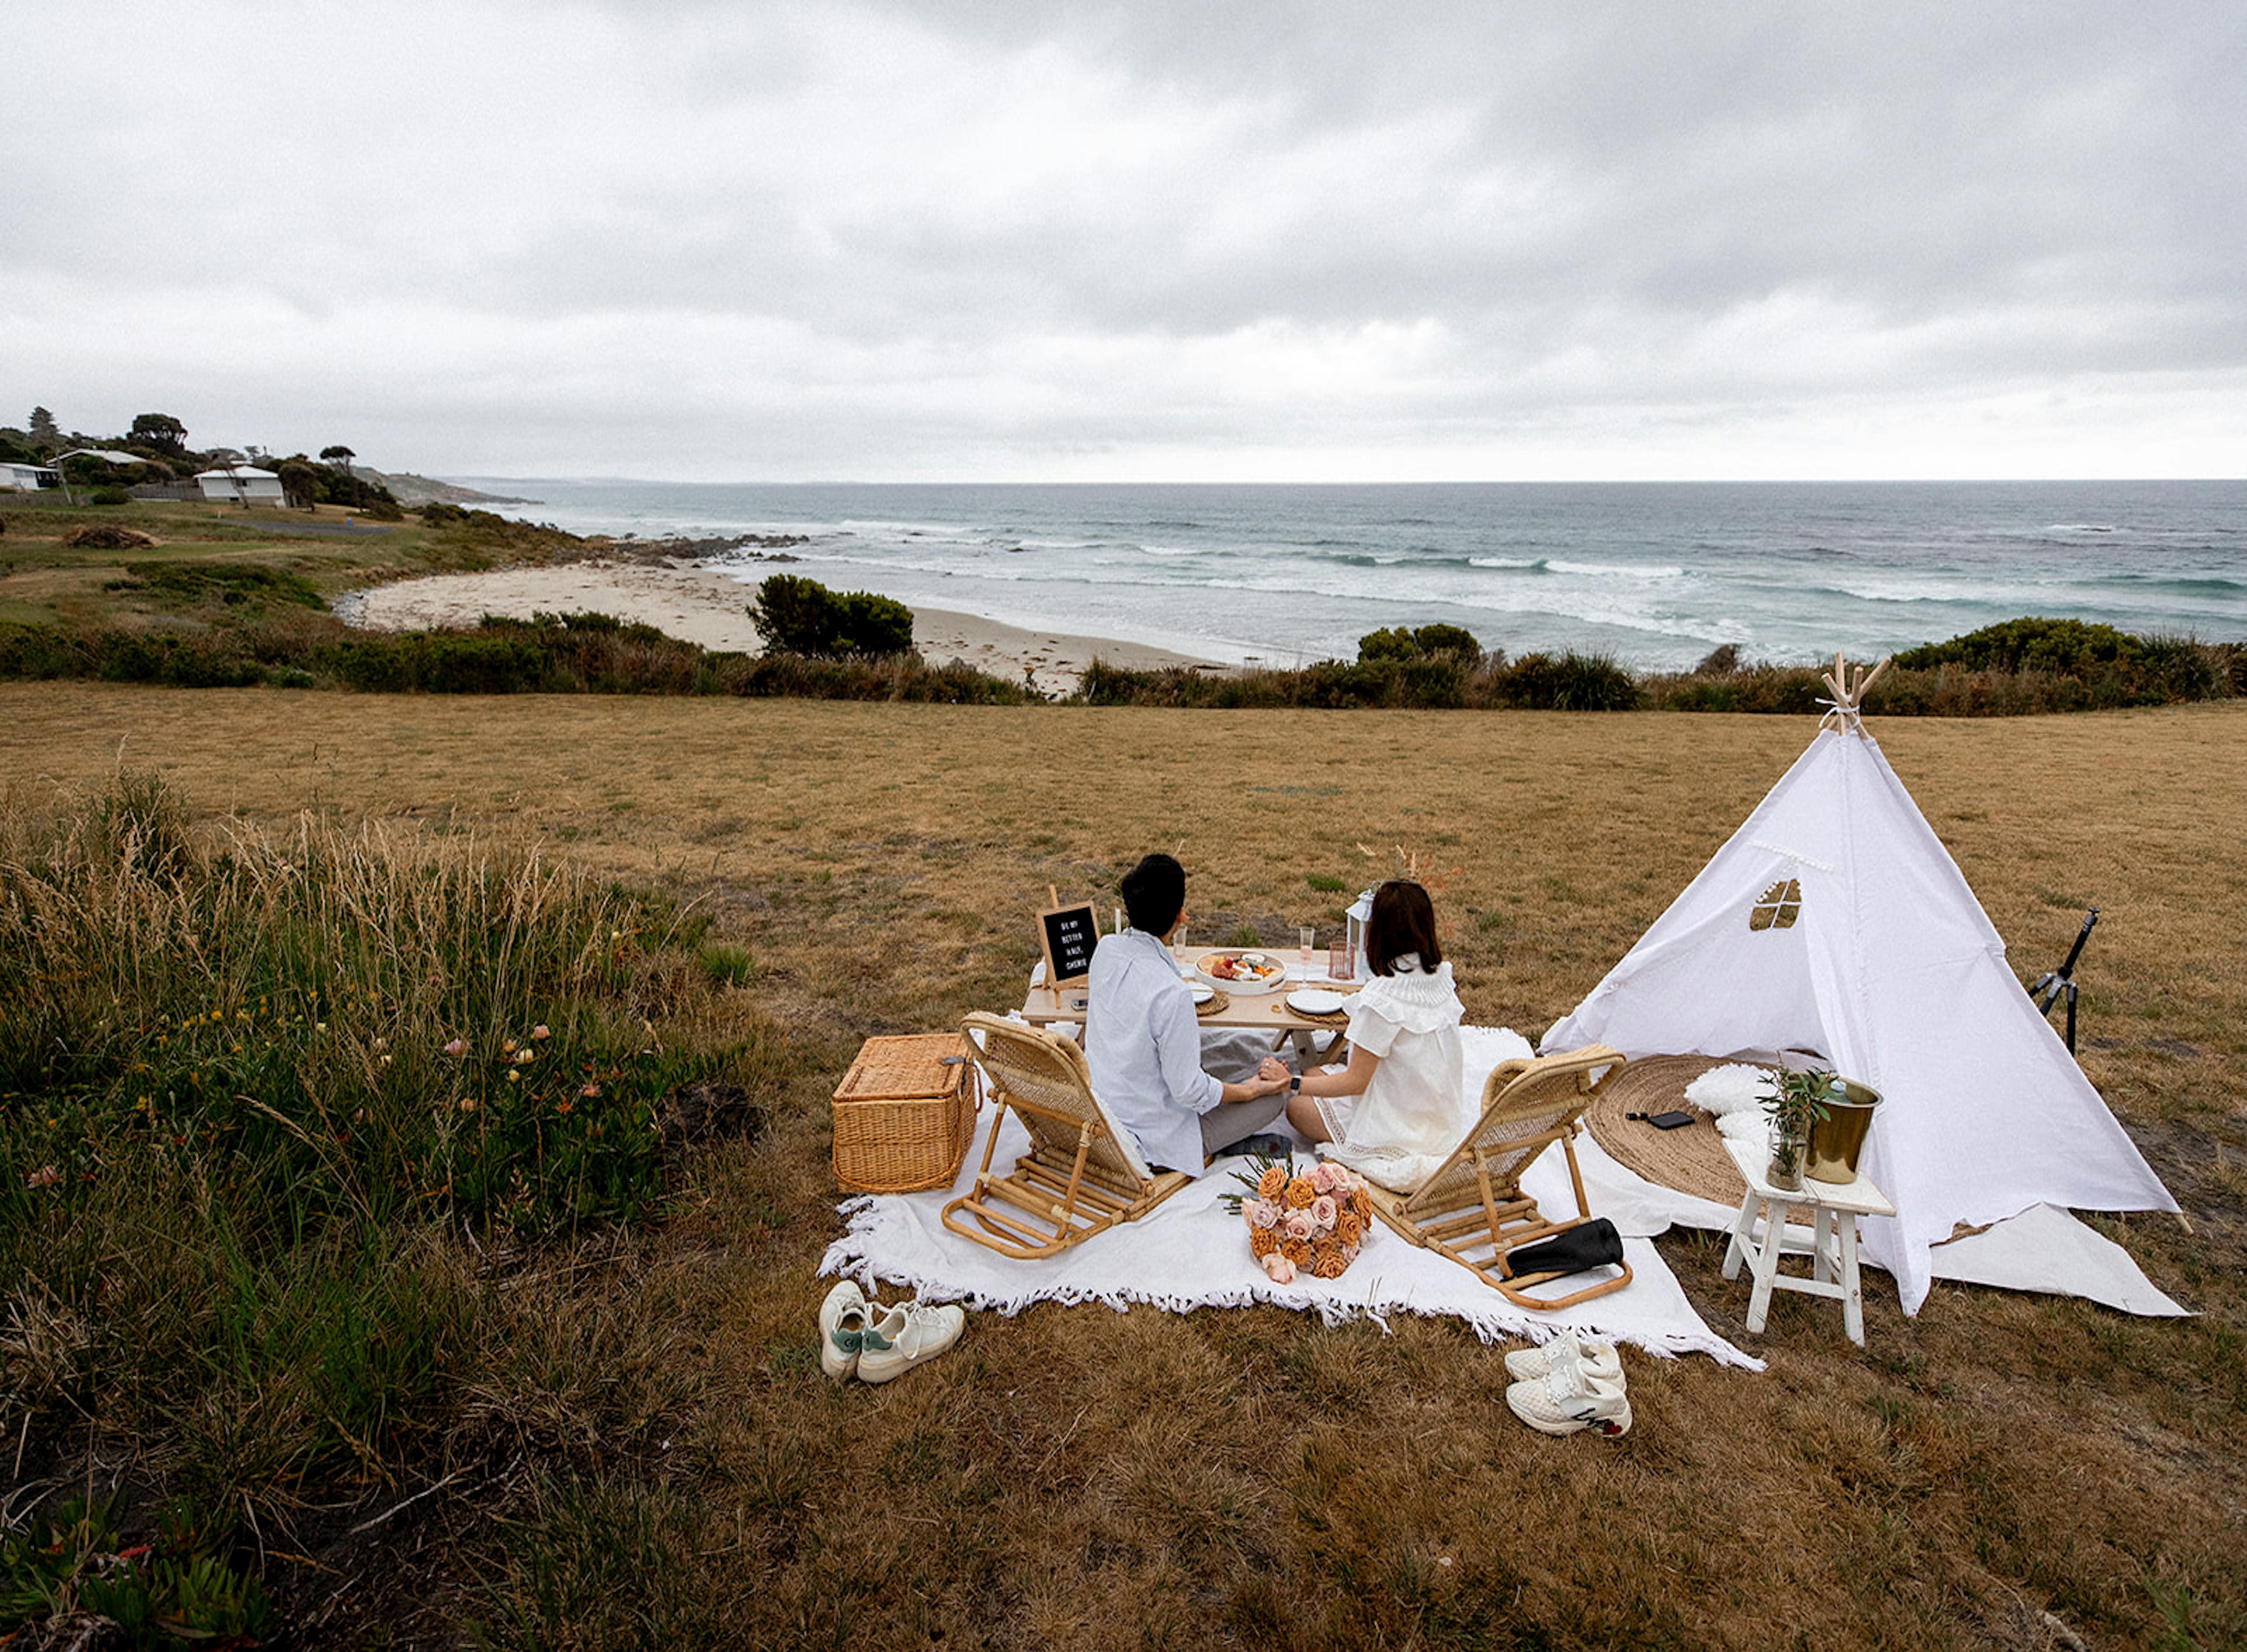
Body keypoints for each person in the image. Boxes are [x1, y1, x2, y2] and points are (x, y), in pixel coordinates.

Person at [1085, 853, 1292, 1175]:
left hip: (1102, 1110)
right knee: (1272, 1100)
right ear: (1180, 916)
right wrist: (1252, 1090)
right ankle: (1214, 1146)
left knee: (1218, 1069)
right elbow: (1189, 1092)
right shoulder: (1172, 994)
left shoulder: (1105, 950)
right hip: (1152, 1142)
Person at [1284, 879, 1466, 1191]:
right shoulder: (1439, 977)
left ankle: (1368, 1145)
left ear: (1377, 931)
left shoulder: (1384, 999)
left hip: (1400, 1131)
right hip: (1438, 1118)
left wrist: (1289, 1082)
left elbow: (1355, 1082)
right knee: (1315, 1072)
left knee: (1296, 1107)